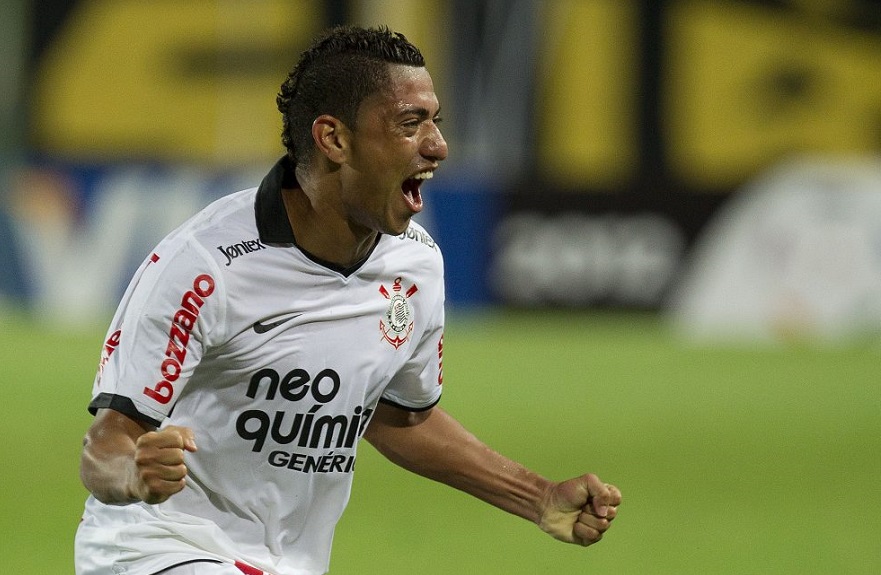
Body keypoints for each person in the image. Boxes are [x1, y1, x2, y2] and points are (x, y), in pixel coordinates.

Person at [74, 25, 621, 575]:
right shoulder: (206, 265)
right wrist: (132, 475)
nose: (438, 145)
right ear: (334, 139)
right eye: (410, 124)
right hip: (160, 547)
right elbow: (108, 441)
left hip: (288, 561)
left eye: (436, 121)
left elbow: (399, 417)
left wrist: (538, 496)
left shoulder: (416, 265)